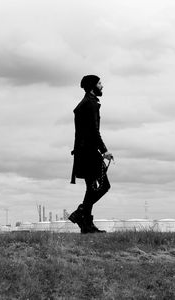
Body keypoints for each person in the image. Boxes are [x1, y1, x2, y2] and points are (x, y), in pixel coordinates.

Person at [69, 75, 114, 233]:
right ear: (92, 86)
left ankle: (86, 225)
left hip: (83, 151)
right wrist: (105, 150)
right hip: (89, 151)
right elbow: (94, 131)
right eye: (100, 83)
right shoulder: (90, 104)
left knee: (92, 187)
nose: (102, 86)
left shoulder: (85, 103)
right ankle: (82, 213)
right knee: (103, 186)